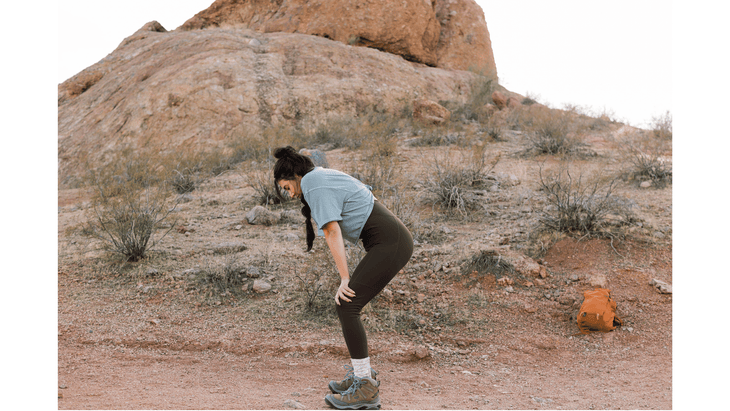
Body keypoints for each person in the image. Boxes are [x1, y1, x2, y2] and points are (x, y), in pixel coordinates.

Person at [273, 146, 413, 410]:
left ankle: (365, 387)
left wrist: (345, 278)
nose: (286, 193)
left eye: (284, 187)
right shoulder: (317, 178)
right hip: (389, 241)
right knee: (347, 305)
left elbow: (332, 231)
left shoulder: (312, 181)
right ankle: (363, 376)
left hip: (391, 242)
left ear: (292, 176)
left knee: (347, 304)